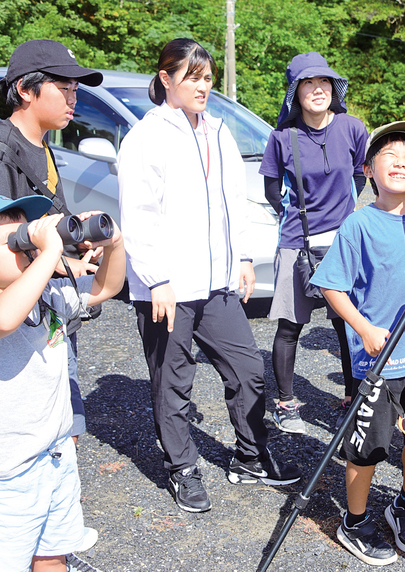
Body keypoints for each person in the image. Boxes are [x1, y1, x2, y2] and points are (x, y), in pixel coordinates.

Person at [117, 39, 301, 514]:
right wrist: (156, 278)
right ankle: (183, 467)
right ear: (166, 79)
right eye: (193, 77)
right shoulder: (146, 137)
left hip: (217, 280)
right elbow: (138, 215)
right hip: (169, 286)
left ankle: (249, 457)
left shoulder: (217, 131)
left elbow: (231, 202)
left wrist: (241, 257)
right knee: (172, 380)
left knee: (247, 369)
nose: (203, 86)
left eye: (207, 77)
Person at [0, 38, 103, 552]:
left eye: (75, 89)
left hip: (50, 302)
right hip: (21, 318)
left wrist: (75, 251)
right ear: (26, 90)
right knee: (35, 423)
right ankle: (18, 539)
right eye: (64, 88)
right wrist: (55, 261)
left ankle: (54, 539)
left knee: (61, 421)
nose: (74, 99)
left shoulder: (40, 143)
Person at [0, 194, 125, 572]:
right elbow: (4, 319)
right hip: (3, 472)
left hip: (55, 457)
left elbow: (106, 288)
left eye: (26, 234)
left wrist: (115, 244)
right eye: (14, 241)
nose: (27, 243)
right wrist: (48, 253)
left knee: (52, 556)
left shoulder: (50, 294)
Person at [312, 121, 405, 566]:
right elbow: (331, 286)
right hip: (378, 359)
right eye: (388, 155)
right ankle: (354, 520)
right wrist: (363, 328)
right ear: (368, 169)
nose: (400, 161)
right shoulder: (359, 224)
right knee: (368, 445)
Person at [260, 52, 368, 434]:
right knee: (290, 326)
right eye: (308, 83)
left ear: (333, 88)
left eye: (323, 81)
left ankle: (354, 398)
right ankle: (286, 403)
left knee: (347, 325)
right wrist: (297, 214)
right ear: (295, 92)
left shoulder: (353, 128)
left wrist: (343, 212)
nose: (317, 89)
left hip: (344, 240)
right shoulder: (282, 137)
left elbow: (360, 173)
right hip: (296, 240)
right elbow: (272, 188)